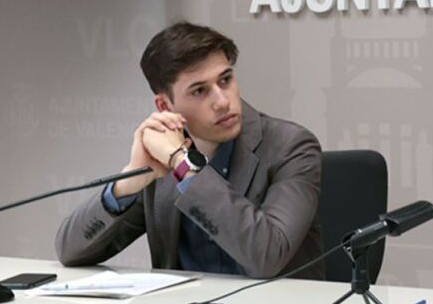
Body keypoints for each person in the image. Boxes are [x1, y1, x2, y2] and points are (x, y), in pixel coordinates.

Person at [57, 22, 324, 279]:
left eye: (225, 80)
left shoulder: (290, 146)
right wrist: (126, 184)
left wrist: (185, 166)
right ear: (165, 106)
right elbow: (70, 252)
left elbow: (267, 255)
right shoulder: (162, 155)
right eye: (199, 91)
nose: (222, 101)